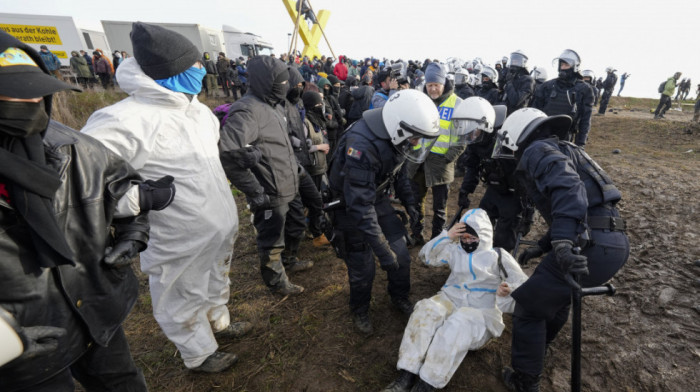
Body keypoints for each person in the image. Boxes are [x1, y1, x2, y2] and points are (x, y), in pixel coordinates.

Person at [0, 31, 167, 391]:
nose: (30, 101)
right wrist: (5, 341)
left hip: (94, 313)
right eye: (12, 91)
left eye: (36, 89)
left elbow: (125, 191)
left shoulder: (72, 148)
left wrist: (134, 234)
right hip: (22, 350)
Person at [82, 22, 246, 373]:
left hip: (218, 226)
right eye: (194, 65)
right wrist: (137, 199)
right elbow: (84, 183)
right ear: (170, 72)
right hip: (177, 235)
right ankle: (198, 352)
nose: (202, 70)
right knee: (180, 290)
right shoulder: (123, 121)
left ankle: (219, 321)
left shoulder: (199, 112)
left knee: (217, 276)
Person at [491, 108, 629, 391]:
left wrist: (563, 243)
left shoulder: (537, 149)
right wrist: (543, 246)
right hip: (613, 244)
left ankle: (525, 381)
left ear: (516, 136)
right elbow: (582, 207)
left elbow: (569, 189)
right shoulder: (564, 148)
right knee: (556, 297)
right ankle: (540, 347)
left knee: (529, 307)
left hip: (588, 246)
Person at [328, 90, 440, 334]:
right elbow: (359, 205)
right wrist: (382, 250)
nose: (418, 143)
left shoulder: (396, 134)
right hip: (349, 205)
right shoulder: (361, 145)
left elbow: (397, 170)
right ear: (400, 128)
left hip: (374, 197)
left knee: (401, 253)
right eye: (416, 137)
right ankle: (359, 309)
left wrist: (409, 202)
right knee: (363, 265)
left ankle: (399, 296)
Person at [381, 208, 528, 392]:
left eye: (472, 238)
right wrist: (447, 236)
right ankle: (407, 372)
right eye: (463, 238)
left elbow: (523, 285)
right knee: (426, 310)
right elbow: (426, 257)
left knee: (457, 324)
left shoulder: (497, 256)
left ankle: (427, 383)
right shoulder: (456, 250)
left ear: (484, 236)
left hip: (481, 312)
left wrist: (508, 291)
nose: (467, 242)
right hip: (451, 298)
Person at [220, 55, 310, 296]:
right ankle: (276, 281)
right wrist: (255, 190)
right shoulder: (248, 110)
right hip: (271, 191)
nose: (286, 87)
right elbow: (228, 153)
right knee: (272, 239)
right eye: (281, 82)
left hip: (289, 183)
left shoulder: (273, 105)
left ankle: (290, 260)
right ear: (266, 82)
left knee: (296, 226)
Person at [456, 97, 525, 253]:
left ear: (485, 125)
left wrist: (528, 210)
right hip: (494, 188)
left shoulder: (507, 139)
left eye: (472, 127)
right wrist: (465, 190)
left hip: (514, 192)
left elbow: (526, 173)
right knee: (481, 221)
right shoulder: (476, 142)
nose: (469, 133)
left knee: (504, 234)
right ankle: (481, 256)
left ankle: (501, 264)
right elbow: (472, 167)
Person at [407, 62, 465, 243]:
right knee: (416, 201)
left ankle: (437, 239)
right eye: (429, 85)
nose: (432, 89)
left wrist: (449, 157)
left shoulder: (457, 104)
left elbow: (463, 138)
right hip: (417, 161)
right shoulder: (419, 101)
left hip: (442, 163)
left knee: (440, 206)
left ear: (444, 84)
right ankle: (416, 234)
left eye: (436, 85)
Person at [532, 49, 594, 147]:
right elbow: (534, 111)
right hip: (542, 135)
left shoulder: (584, 89)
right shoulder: (547, 86)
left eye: (566, 65)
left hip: (565, 139)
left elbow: (585, 120)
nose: (563, 68)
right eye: (561, 65)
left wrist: (580, 144)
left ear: (575, 67)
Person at [500, 50, 535, 115]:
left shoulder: (528, 80)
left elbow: (515, 101)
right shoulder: (512, 78)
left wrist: (509, 83)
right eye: (512, 61)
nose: (513, 63)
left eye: (516, 61)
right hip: (504, 115)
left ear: (523, 62)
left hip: (517, 116)